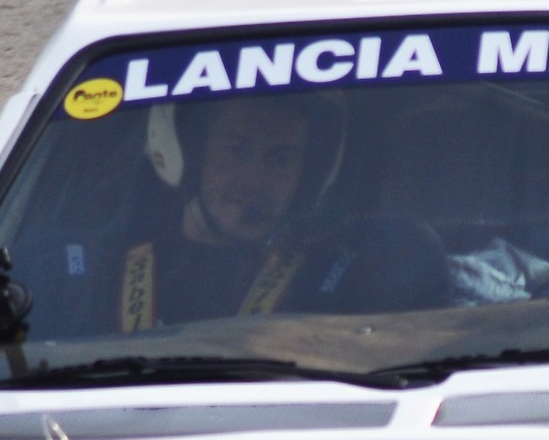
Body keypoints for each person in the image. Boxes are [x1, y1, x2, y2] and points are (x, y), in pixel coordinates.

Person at [119, 95, 446, 328]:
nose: (255, 181)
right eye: (236, 150)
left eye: (280, 159)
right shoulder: (103, 267)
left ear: (309, 175)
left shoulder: (342, 279)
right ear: (189, 154)